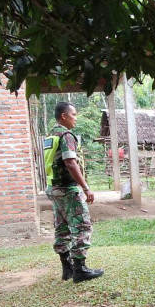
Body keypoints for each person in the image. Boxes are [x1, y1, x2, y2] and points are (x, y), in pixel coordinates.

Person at [44, 102, 104, 283]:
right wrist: (86, 187)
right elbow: (70, 162)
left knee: (62, 227)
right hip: (67, 189)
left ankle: (67, 268)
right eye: (74, 114)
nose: (76, 118)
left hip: (53, 188)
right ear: (64, 116)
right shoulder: (66, 135)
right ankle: (80, 269)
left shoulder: (50, 136)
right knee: (82, 226)